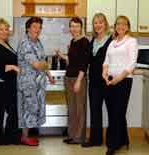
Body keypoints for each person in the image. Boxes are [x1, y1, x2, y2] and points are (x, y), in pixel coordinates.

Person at [102, 15, 138, 155]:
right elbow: (106, 61)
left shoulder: (131, 41)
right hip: (109, 80)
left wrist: (118, 79)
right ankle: (124, 139)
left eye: (123, 24)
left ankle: (113, 144)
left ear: (128, 27)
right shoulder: (112, 42)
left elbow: (131, 64)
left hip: (123, 81)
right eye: (118, 24)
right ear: (115, 26)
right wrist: (104, 74)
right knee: (113, 112)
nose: (120, 26)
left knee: (118, 112)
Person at [17, 17, 55, 146]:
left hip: (37, 83)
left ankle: (28, 136)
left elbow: (43, 61)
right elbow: (37, 64)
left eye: (39, 27)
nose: (37, 30)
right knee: (27, 109)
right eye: (34, 27)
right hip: (28, 83)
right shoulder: (25, 43)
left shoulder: (37, 42)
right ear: (28, 28)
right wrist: (44, 64)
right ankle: (25, 137)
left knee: (33, 109)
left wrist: (49, 75)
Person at [56, 17, 91, 144]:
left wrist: (79, 81)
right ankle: (72, 134)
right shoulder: (73, 41)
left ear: (81, 27)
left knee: (79, 109)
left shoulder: (84, 42)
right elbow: (72, 61)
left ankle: (79, 137)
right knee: (71, 109)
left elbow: (84, 63)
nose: (74, 29)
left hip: (78, 79)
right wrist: (61, 55)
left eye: (76, 26)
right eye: (72, 26)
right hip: (69, 77)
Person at [0, 18, 20, 145]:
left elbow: (12, 59)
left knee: (12, 110)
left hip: (8, 82)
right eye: (1, 29)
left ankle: (10, 136)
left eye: (6, 29)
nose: (4, 31)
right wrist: (12, 67)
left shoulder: (5, 43)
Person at [82, 13, 112, 147]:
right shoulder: (92, 41)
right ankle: (95, 140)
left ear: (105, 24)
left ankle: (113, 140)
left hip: (108, 81)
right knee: (95, 111)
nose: (98, 25)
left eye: (100, 22)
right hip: (94, 82)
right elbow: (87, 60)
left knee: (112, 111)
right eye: (95, 23)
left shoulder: (112, 40)